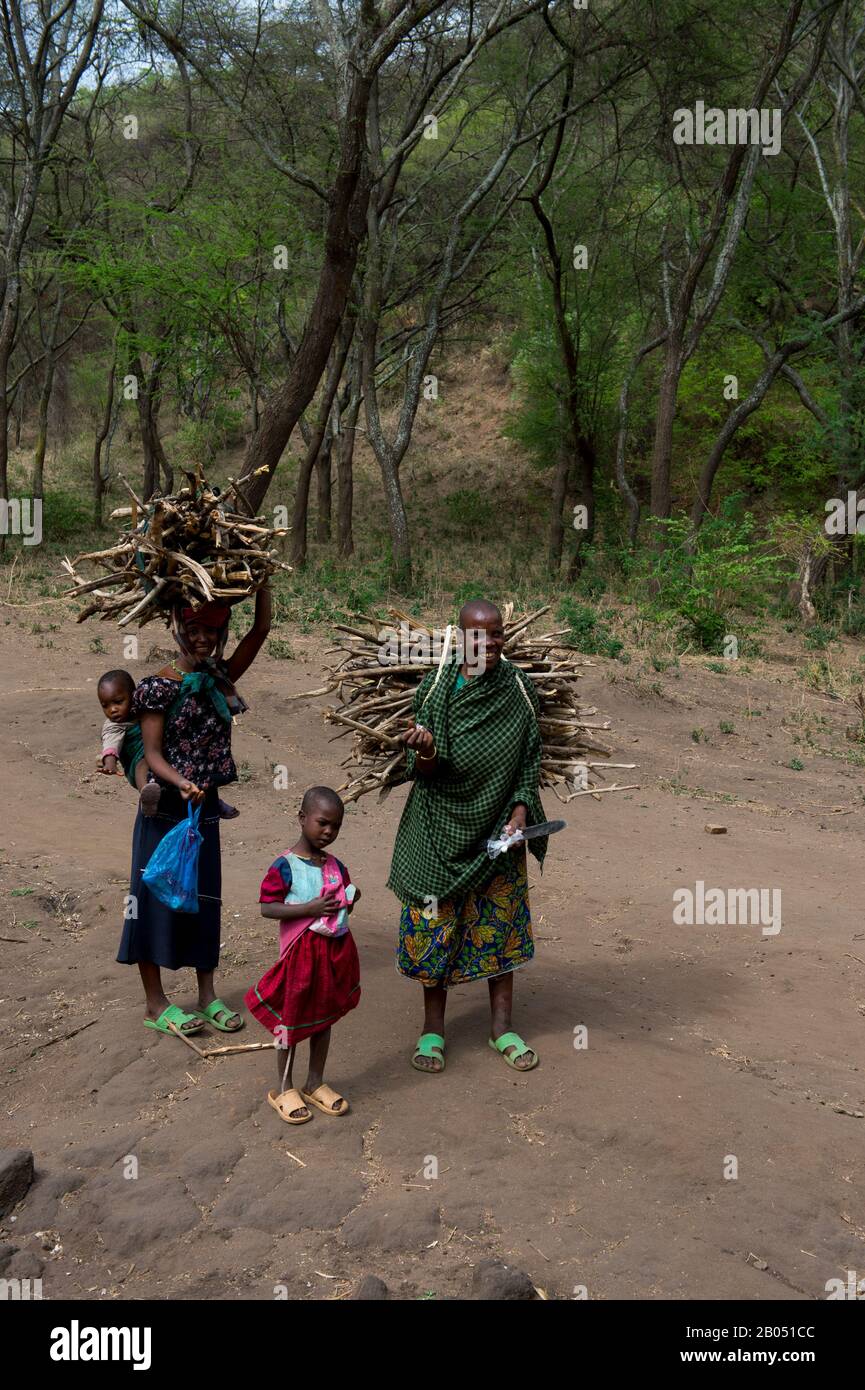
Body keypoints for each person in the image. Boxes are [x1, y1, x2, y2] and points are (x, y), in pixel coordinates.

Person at [388, 599, 547, 1074]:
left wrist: (521, 809)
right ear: (460, 637)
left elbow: (530, 756)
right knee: (435, 927)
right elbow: (426, 770)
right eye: (479, 635)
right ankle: (433, 1030)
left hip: (498, 830)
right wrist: (429, 749)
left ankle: (501, 1028)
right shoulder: (438, 688)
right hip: (438, 828)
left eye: (497, 633)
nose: (490, 643)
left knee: (498, 926)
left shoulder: (518, 688)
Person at [117, 584, 271, 1037]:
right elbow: (153, 753)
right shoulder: (158, 687)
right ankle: (155, 1002)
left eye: (212, 631)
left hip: (202, 813)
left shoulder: (221, 677)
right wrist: (180, 782)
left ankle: (207, 995)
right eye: (194, 630)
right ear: (177, 628)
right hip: (163, 810)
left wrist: (262, 581)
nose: (204, 639)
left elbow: (261, 629)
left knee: (204, 899)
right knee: (151, 898)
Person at [245, 787, 361, 1124]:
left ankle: (315, 1082)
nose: (328, 832)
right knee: (290, 1022)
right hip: (299, 958)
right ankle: (284, 1088)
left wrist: (350, 898)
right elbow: (268, 907)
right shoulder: (285, 866)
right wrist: (309, 908)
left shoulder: (337, 865)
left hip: (332, 954)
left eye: (335, 826)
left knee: (324, 1018)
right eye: (323, 823)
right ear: (302, 818)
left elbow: (342, 897)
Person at [97, 669, 237, 819]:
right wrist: (110, 763)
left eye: (118, 702)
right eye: (105, 705)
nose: (112, 710)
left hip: (161, 756)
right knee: (142, 764)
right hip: (137, 762)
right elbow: (110, 744)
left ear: (134, 695)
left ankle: (212, 802)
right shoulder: (114, 725)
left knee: (185, 761)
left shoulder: (146, 709)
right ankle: (147, 795)